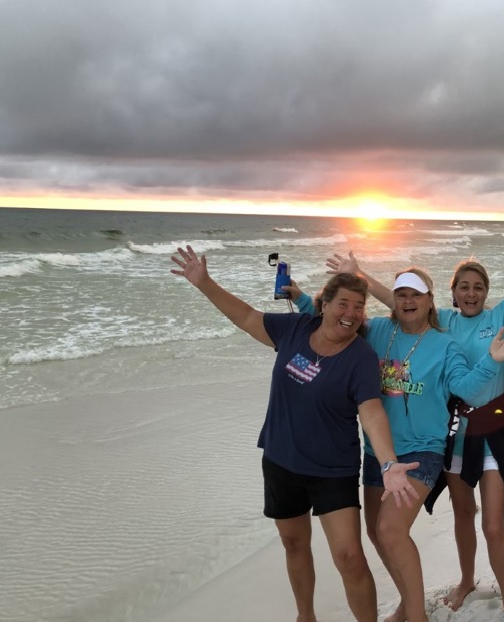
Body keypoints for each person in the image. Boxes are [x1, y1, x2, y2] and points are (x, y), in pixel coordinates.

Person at [326, 202, 504, 621]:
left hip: (492, 431)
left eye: (477, 287)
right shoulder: (443, 323)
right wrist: (359, 274)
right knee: (462, 514)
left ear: (486, 292)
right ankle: (467, 580)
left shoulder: (502, 317)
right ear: (451, 294)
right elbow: (398, 301)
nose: (471, 293)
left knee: (492, 524)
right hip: (454, 433)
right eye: (464, 287)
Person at [169, 245, 420, 622]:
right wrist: (205, 283)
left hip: (332, 470)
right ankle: (306, 616)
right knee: (293, 542)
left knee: (349, 557)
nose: (351, 313)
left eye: (358, 307)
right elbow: (246, 316)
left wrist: (389, 463)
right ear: (324, 304)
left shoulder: (360, 358)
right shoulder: (293, 329)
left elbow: (371, 413)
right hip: (281, 460)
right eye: (343, 304)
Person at [297, 266, 504, 622]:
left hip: (424, 449)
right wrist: (298, 296)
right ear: (394, 300)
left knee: (392, 531)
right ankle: (408, 603)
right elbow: (334, 323)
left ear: (429, 301)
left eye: (416, 294)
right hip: (378, 450)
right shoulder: (376, 330)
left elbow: (466, 389)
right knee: (377, 533)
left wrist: (492, 359)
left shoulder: (443, 343)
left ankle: (417, 615)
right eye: (402, 294)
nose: (408, 300)